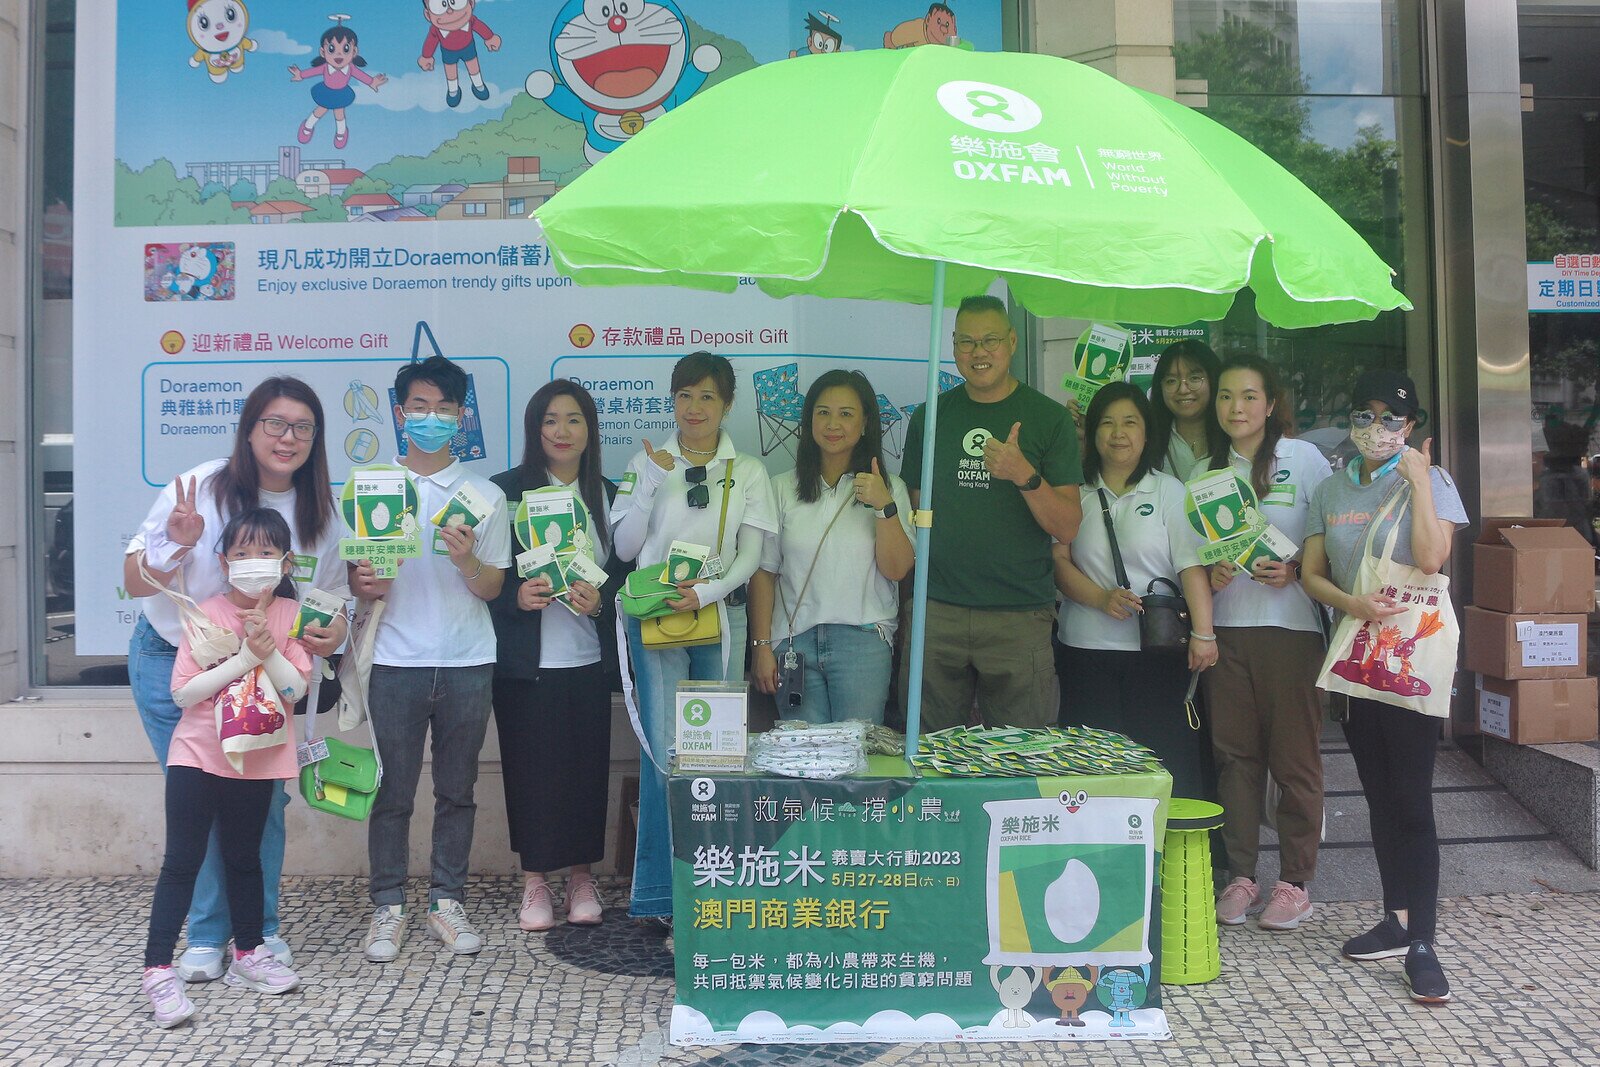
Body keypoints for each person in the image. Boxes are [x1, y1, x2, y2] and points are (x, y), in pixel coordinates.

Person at [124, 377, 348, 983]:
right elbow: (134, 580)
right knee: (197, 805)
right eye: (275, 423)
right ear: (249, 430)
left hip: (267, 669)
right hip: (175, 659)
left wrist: (333, 630)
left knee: (262, 806)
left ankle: (258, 934)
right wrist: (176, 545)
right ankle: (204, 935)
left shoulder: (320, 513)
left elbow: (330, 603)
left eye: (303, 427)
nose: (287, 437)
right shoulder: (199, 487)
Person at [1301, 369, 1468, 1004]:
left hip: (1411, 656)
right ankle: (1396, 918)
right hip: (1356, 654)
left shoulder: (1434, 481)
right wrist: (1352, 604)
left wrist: (1419, 481)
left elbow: (1431, 558)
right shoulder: (1330, 488)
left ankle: (1422, 941)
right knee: (1376, 794)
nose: (1377, 428)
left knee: (1411, 799)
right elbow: (1311, 574)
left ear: (1411, 425)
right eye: (1365, 415)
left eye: (1390, 418)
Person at [355, 355, 512, 962]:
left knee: (457, 791)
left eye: (445, 409)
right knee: (392, 792)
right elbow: (354, 582)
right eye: (420, 407)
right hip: (395, 660)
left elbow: (493, 587)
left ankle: (447, 901)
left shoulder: (485, 495)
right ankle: (387, 907)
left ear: (461, 417)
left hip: (468, 660)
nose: (432, 418)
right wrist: (366, 581)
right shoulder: (372, 487)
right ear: (401, 414)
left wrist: (467, 560)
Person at [611, 352, 777, 927]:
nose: (695, 407)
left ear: (727, 404)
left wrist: (707, 593)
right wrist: (651, 482)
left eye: (707, 397)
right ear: (673, 400)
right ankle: (662, 896)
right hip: (656, 619)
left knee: (716, 756)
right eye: (685, 395)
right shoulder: (646, 462)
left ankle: (714, 888)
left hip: (719, 619)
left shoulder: (748, 470)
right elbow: (626, 548)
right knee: (663, 753)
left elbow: (752, 556)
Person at [141, 508, 312, 1027]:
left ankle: (248, 955)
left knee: (244, 858)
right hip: (197, 755)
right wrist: (244, 657)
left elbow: (295, 689)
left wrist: (267, 649)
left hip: (258, 757)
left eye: (265, 552)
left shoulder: (291, 614)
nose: (253, 562)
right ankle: (157, 972)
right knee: (182, 861)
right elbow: (183, 691)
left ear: (285, 563)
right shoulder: (205, 612)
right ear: (223, 562)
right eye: (241, 552)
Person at [901, 294, 1082, 730]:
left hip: (1018, 613)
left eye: (990, 340)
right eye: (966, 342)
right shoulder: (929, 417)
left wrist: (1024, 475)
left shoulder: (1049, 418)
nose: (978, 352)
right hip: (937, 609)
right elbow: (917, 508)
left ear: (1013, 342)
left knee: (1023, 753)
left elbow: (1067, 527)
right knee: (930, 749)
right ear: (953, 346)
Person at [489, 381, 625, 931]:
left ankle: (582, 877)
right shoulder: (505, 492)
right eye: (550, 420)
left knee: (587, 772)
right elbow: (485, 576)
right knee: (530, 772)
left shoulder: (610, 495)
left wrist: (602, 602)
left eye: (574, 420)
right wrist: (514, 597)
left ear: (590, 429)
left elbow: (627, 575)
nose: (562, 431)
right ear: (534, 429)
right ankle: (535, 881)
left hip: (588, 659)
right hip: (527, 664)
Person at [1204, 355, 1333, 931]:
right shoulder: (1206, 469)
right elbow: (1194, 554)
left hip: (1292, 631)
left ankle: (1295, 882)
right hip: (1227, 629)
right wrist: (1212, 575)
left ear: (1271, 403)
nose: (1236, 407)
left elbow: (1331, 537)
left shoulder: (1302, 459)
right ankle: (1241, 876)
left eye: (1249, 396)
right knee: (1235, 759)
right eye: (1226, 396)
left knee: (1294, 759)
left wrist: (1298, 568)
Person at [1053, 383, 1218, 798]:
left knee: (1163, 763)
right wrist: (1100, 598)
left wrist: (1204, 634)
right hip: (1085, 650)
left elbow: (1190, 567)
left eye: (1130, 422)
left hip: (1158, 652)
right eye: (1107, 423)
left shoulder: (1168, 491)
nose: (1118, 433)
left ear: (1146, 433)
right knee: (1091, 770)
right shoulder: (1074, 491)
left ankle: (1164, 839)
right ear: (1092, 432)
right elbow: (1058, 562)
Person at [750, 370, 915, 722]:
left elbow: (898, 569)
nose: (833, 424)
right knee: (802, 752)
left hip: (863, 642)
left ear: (865, 423)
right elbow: (764, 573)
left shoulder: (891, 488)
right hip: (793, 644)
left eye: (846, 414)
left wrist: (884, 506)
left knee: (857, 752)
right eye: (823, 412)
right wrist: (761, 646)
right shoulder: (781, 487)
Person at [1147, 339, 1228, 481]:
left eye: (1194, 378)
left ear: (1213, 380)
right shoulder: (1147, 439)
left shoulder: (1232, 436)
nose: (1183, 390)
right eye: (1171, 381)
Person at [1534, 421, 1596, 548]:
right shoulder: (1580, 475)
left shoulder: (1549, 480)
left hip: (1558, 539)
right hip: (1579, 537)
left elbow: (1550, 512)